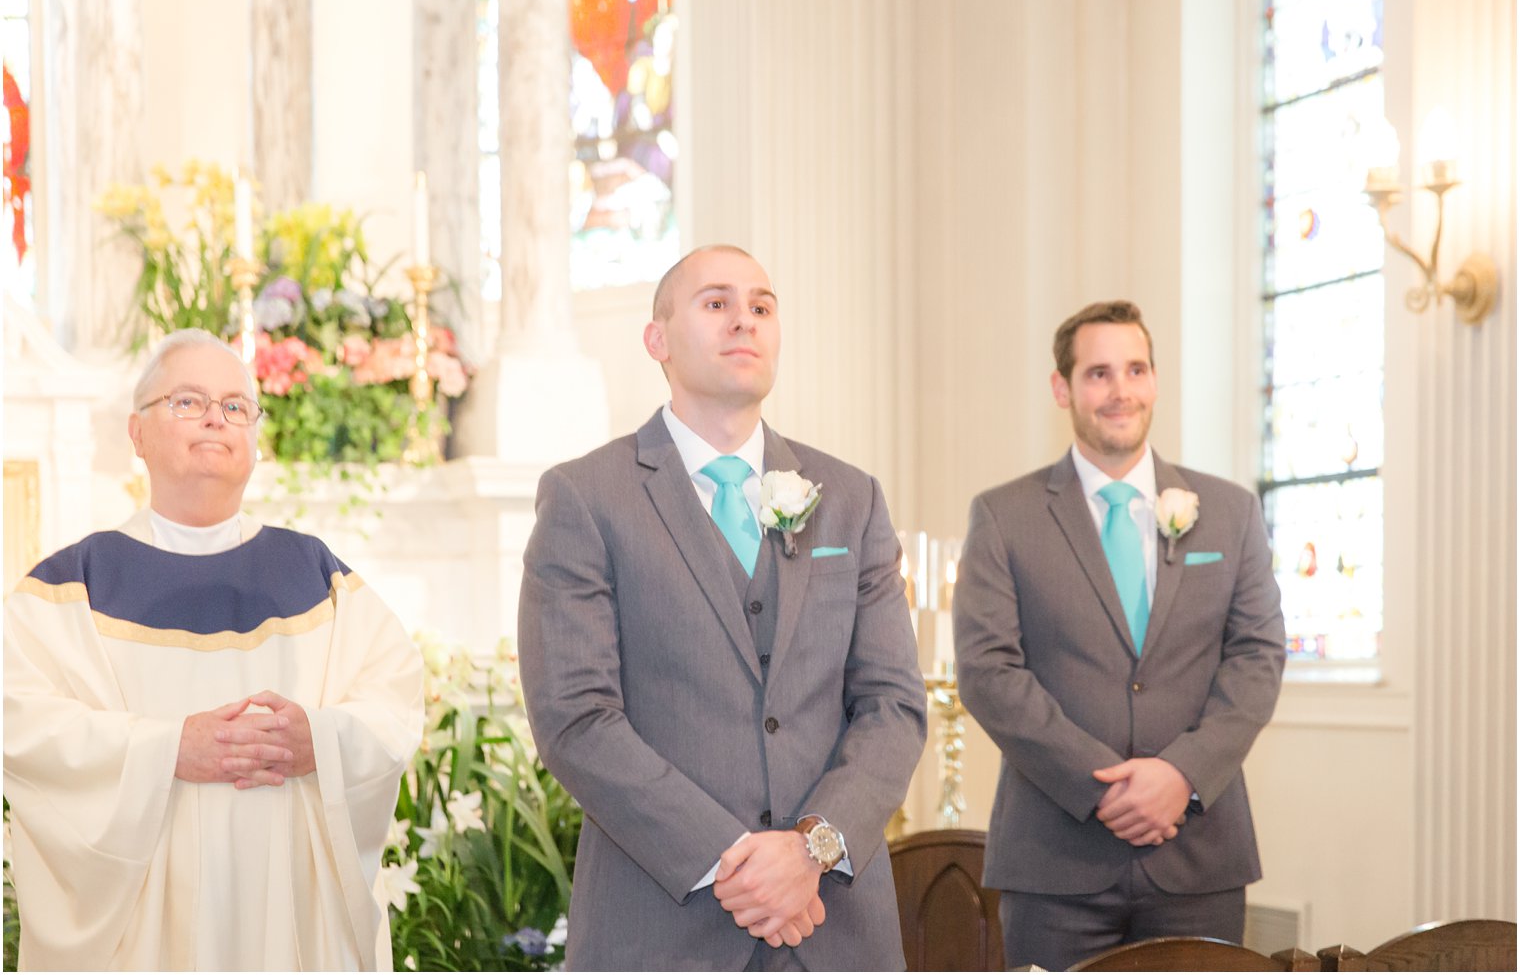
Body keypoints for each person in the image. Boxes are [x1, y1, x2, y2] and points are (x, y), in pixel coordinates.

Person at [518, 245, 926, 970]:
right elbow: (575, 718)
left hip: (833, 928)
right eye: (716, 303)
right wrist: (735, 860)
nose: (745, 320)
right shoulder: (587, 497)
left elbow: (892, 706)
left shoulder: (851, 499)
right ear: (658, 340)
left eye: (762, 306)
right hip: (660, 928)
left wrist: (811, 849)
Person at [3, 329, 424, 971]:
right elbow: (23, 722)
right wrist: (168, 749)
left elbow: (393, 696)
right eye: (187, 401)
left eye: (235, 406)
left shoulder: (315, 573)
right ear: (136, 434)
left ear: (254, 438)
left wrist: (323, 738)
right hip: (140, 930)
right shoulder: (70, 586)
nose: (214, 418)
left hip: (287, 918)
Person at [953, 301, 1286, 971]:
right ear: (1063, 388)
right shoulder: (1004, 515)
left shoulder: (1228, 513)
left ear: (1156, 381)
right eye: (1099, 373)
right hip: (1055, 859)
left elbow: (1258, 655)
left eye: (1135, 370)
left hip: (1199, 855)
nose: (1120, 390)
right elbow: (989, 671)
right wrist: (1103, 787)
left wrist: (1181, 775)